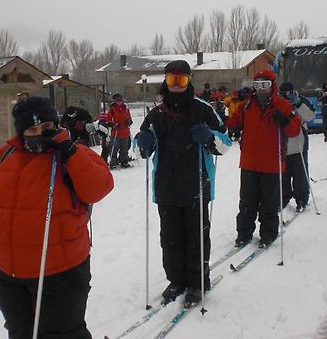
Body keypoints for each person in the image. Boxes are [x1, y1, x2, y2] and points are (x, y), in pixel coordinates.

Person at [0, 96, 114, 339]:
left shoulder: (74, 153)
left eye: (46, 127)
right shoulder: (6, 154)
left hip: (59, 272)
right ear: (22, 131)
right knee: (21, 333)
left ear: (56, 125)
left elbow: (99, 188)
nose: (39, 135)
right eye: (32, 130)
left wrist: (71, 154)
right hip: (8, 273)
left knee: (63, 334)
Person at [136, 60, 231, 306]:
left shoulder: (203, 110)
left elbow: (226, 143)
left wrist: (210, 137)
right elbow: (144, 147)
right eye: (171, 80)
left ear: (189, 81)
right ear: (166, 81)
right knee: (170, 238)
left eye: (181, 80)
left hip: (196, 185)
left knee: (196, 237)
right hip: (166, 187)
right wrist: (144, 142)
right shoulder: (156, 114)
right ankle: (176, 279)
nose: (176, 86)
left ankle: (197, 282)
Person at [226, 70, 301, 248]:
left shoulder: (282, 106)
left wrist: (284, 121)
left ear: (272, 86)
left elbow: (295, 130)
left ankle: (268, 233)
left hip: (272, 164)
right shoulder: (246, 106)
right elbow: (233, 122)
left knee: (269, 203)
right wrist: (228, 124)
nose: (261, 89)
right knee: (247, 201)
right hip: (249, 163)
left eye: (265, 85)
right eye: (257, 85)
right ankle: (244, 233)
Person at [279, 81, 315, 212]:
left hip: (299, 143)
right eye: (284, 94)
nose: (287, 96)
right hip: (282, 145)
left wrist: (298, 103)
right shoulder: (277, 103)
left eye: (290, 93)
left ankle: (302, 198)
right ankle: (284, 197)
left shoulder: (301, 100)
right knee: (283, 175)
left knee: (300, 175)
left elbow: (310, 116)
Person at [105, 94, 133, 168]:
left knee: (124, 148)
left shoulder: (126, 108)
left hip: (125, 131)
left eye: (121, 100)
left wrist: (129, 122)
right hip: (116, 132)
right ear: (115, 101)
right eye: (118, 100)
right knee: (114, 147)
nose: (119, 102)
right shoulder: (112, 109)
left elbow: (129, 118)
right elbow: (108, 120)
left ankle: (124, 161)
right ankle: (113, 161)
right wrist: (113, 124)